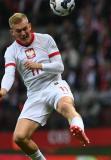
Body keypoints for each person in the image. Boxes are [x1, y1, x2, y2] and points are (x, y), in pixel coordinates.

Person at [0, 13, 89, 160]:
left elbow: (60, 67)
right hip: (34, 94)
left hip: (53, 84)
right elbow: (9, 74)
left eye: (25, 29)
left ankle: (78, 127)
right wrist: (3, 90)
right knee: (19, 138)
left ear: (29, 26)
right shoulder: (11, 51)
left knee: (66, 106)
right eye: (18, 31)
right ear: (12, 32)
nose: (23, 33)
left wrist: (39, 65)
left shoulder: (46, 39)